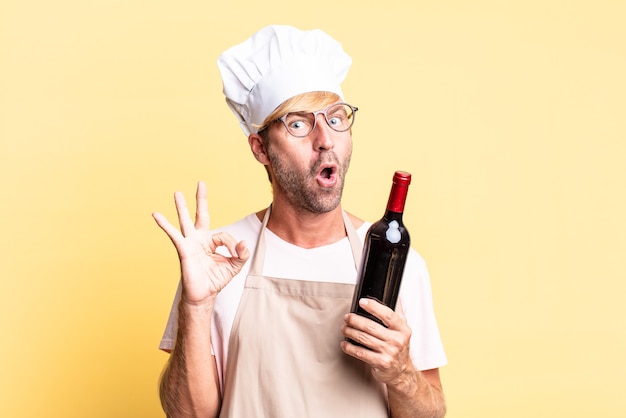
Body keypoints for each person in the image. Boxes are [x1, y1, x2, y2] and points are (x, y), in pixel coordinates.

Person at [153, 25, 447, 418]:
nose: (325, 138)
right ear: (261, 148)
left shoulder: (398, 266)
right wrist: (196, 305)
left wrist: (402, 373)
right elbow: (187, 415)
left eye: (336, 118)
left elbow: (430, 412)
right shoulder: (218, 261)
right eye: (298, 123)